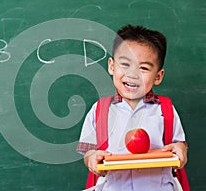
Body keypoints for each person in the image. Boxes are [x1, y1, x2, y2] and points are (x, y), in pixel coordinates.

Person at [77, 25, 188, 190]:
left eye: (143, 68)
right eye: (125, 64)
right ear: (112, 66)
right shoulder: (99, 110)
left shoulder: (166, 109)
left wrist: (180, 150)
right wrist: (92, 158)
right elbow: (88, 152)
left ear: (158, 76)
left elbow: (180, 145)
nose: (133, 74)